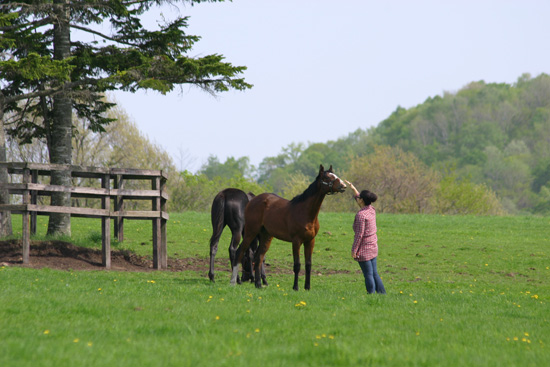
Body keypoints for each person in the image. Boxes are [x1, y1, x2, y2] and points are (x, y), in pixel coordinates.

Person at [344, 180, 386, 294]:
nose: (357, 199)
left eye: (359, 198)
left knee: (368, 275)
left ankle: (371, 295)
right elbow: (360, 198)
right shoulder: (371, 210)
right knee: (375, 273)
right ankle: (382, 294)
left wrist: (354, 250)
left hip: (364, 249)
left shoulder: (361, 215)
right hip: (373, 246)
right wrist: (353, 188)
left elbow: (359, 234)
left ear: (361, 200)